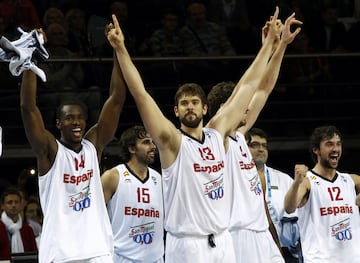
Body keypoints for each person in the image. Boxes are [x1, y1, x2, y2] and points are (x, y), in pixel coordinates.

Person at [106, 7, 287, 263]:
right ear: (176, 111)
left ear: (204, 108)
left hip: (223, 240)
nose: (189, 106)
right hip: (188, 245)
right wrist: (121, 49)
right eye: (183, 103)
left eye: (194, 102)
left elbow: (247, 86)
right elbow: (141, 94)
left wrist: (269, 46)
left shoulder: (218, 134)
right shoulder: (172, 142)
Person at [19, 27, 127, 262]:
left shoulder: (93, 145)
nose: (76, 122)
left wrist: (118, 49)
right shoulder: (49, 151)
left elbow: (117, 98)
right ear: (59, 123)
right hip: (60, 253)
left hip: (97, 249)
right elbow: (29, 109)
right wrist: (30, 60)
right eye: (69, 118)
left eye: (79, 117)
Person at [206, 9, 302, 263]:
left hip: (259, 232)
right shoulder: (217, 136)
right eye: (243, 104)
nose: (250, 108)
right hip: (236, 236)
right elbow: (250, 87)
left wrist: (280, 46)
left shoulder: (238, 134)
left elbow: (264, 88)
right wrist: (268, 46)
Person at [284, 125, 360, 262]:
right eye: (329, 144)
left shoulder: (351, 180)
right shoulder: (307, 182)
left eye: (338, 144)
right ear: (316, 150)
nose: (335, 149)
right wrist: (296, 183)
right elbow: (289, 208)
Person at [101, 125, 164, 262]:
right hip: (122, 257)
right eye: (146, 142)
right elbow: (94, 218)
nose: (153, 146)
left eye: (153, 142)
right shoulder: (113, 177)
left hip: (155, 258)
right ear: (132, 148)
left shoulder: (159, 179)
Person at [245, 127, 302, 263]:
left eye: (264, 146)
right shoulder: (234, 177)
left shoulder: (284, 179)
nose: (261, 149)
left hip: (284, 249)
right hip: (249, 247)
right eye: (255, 145)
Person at [0, 186, 38, 260]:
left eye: (16, 202)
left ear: (21, 205)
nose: (13, 205)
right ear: (2, 206)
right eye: (9, 202)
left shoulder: (28, 230)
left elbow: (34, 255)